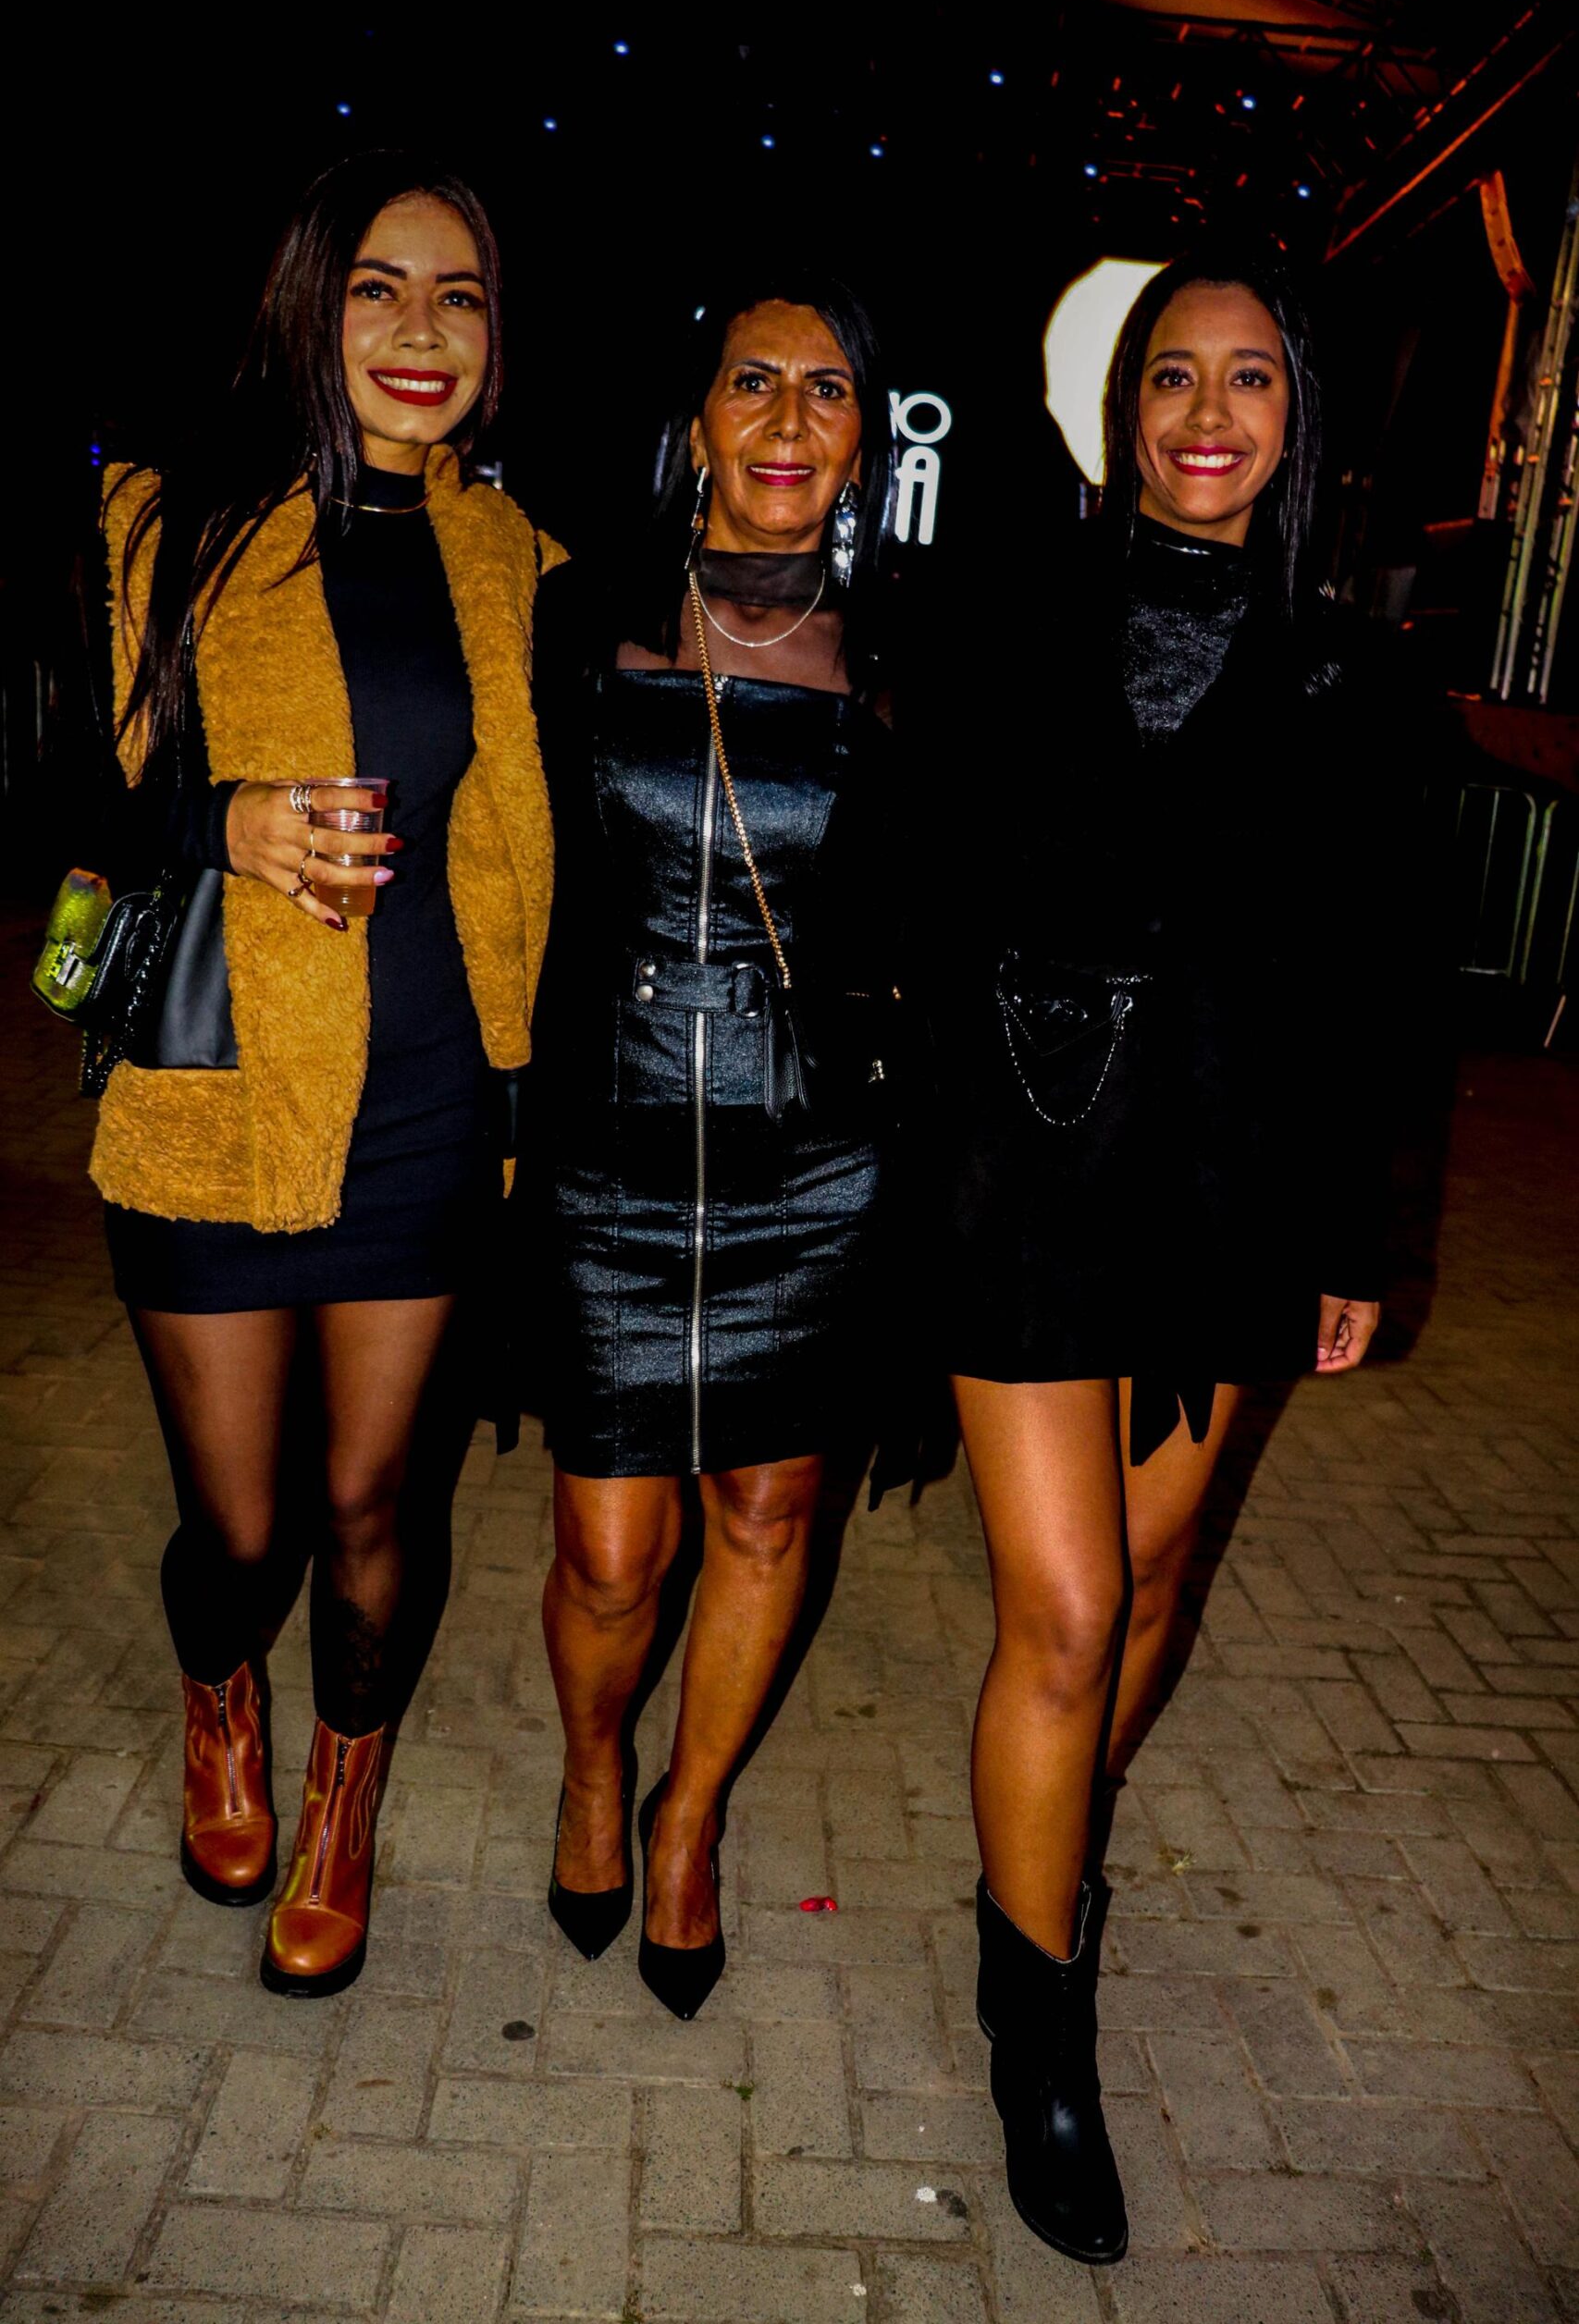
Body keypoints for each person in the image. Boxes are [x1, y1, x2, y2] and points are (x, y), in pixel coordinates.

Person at [930, 248, 1404, 2261]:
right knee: (1065, 1608)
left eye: (1251, 379)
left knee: (1145, 1599)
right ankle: (1040, 2029)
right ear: (1122, 403)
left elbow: (1380, 983)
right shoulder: (1009, 610)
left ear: (1297, 418)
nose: (1208, 414)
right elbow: (923, 884)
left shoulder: (1351, 671)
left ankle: (1030, 1865)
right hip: (1027, 1167)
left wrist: (1359, 1233)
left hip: (1226, 1189)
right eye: (1174, 376)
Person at [90, 152, 557, 1997]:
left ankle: (343, 1794)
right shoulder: (174, 522)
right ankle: (222, 1689)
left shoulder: (510, 556)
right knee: (242, 1525)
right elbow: (75, 804)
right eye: (379, 287)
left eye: (460, 295)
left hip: (427, 1095)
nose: (422, 329)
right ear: (309, 304)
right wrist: (226, 817)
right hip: (214, 1089)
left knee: (374, 1509)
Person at [528, 274, 902, 2019]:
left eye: (827, 393)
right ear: (697, 421)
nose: (786, 422)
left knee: (767, 1510)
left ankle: (686, 1820)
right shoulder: (583, 613)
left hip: (813, 1157)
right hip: (608, 1138)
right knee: (614, 1551)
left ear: (865, 443)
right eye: (754, 383)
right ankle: (594, 1767)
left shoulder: (905, 660)